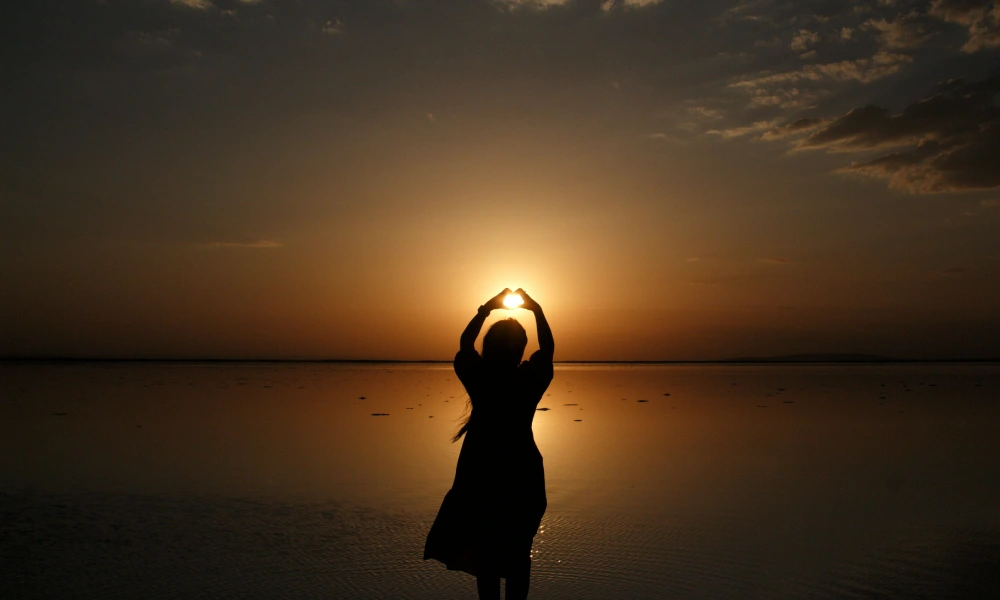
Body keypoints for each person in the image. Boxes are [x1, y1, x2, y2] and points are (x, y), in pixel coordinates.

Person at [424, 288, 554, 600]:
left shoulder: (481, 379)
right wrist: (537, 310)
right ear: (521, 349)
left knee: (487, 557)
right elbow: (548, 349)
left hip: (480, 474)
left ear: (489, 347)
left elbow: (464, 345)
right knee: (519, 554)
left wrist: (485, 310)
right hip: (523, 476)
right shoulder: (528, 380)